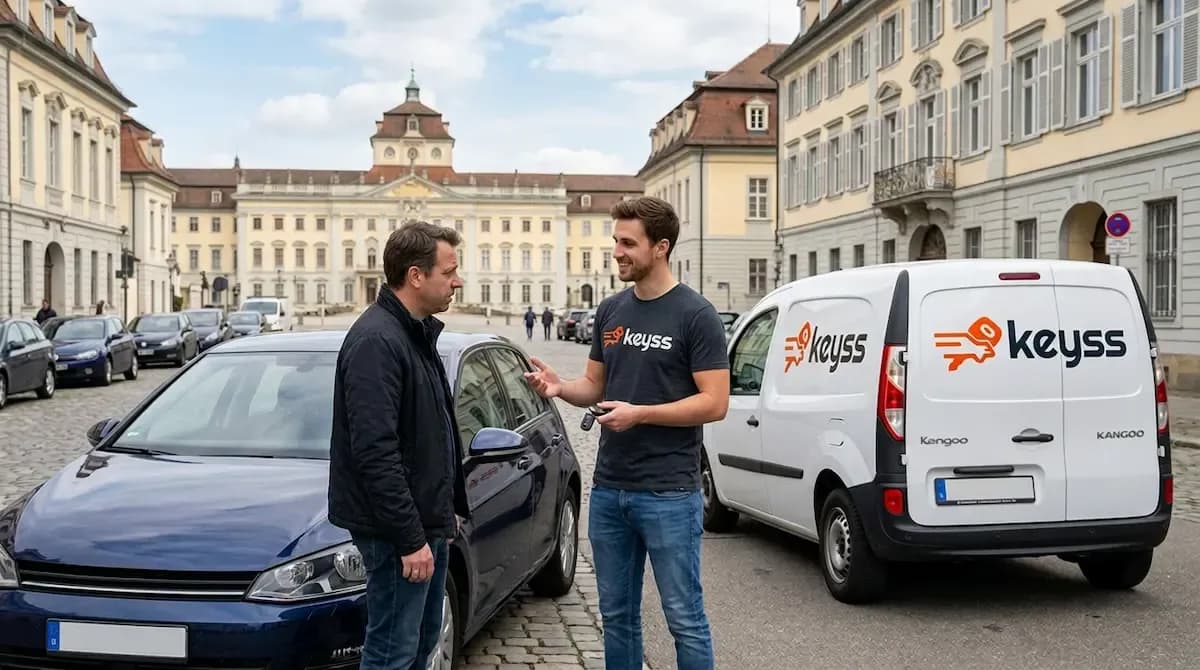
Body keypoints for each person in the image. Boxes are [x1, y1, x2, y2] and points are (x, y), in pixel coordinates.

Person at [523, 196, 729, 670]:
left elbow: (714, 402)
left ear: (660, 247)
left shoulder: (696, 315)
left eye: (627, 243)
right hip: (612, 489)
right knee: (616, 616)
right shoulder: (612, 310)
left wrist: (642, 414)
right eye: (615, 240)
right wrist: (559, 387)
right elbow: (593, 385)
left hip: (669, 493)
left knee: (684, 617)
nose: (617, 251)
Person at [327, 220, 470, 670]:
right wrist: (410, 538)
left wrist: (447, 509)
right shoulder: (378, 341)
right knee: (392, 651)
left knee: (422, 641)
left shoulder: (414, 331)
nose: (457, 281)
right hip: (396, 533)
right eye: (449, 272)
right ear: (415, 276)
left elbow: (434, 431)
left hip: (426, 523)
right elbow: (376, 453)